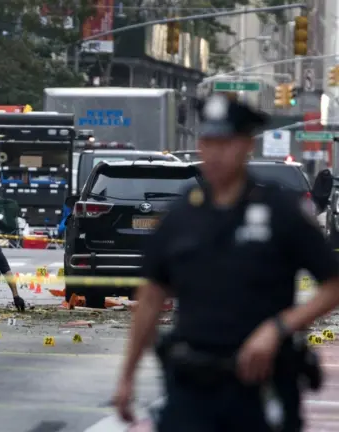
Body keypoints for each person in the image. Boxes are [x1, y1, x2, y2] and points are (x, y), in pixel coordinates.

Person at [114, 94, 339, 431]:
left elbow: (333, 285)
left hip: (261, 385)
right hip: (191, 387)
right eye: (208, 142)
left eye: (226, 142)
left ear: (247, 145)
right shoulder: (181, 216)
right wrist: (127, 377)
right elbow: (150, 299)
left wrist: (278, 329)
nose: (216, 152)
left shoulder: (280, 211)